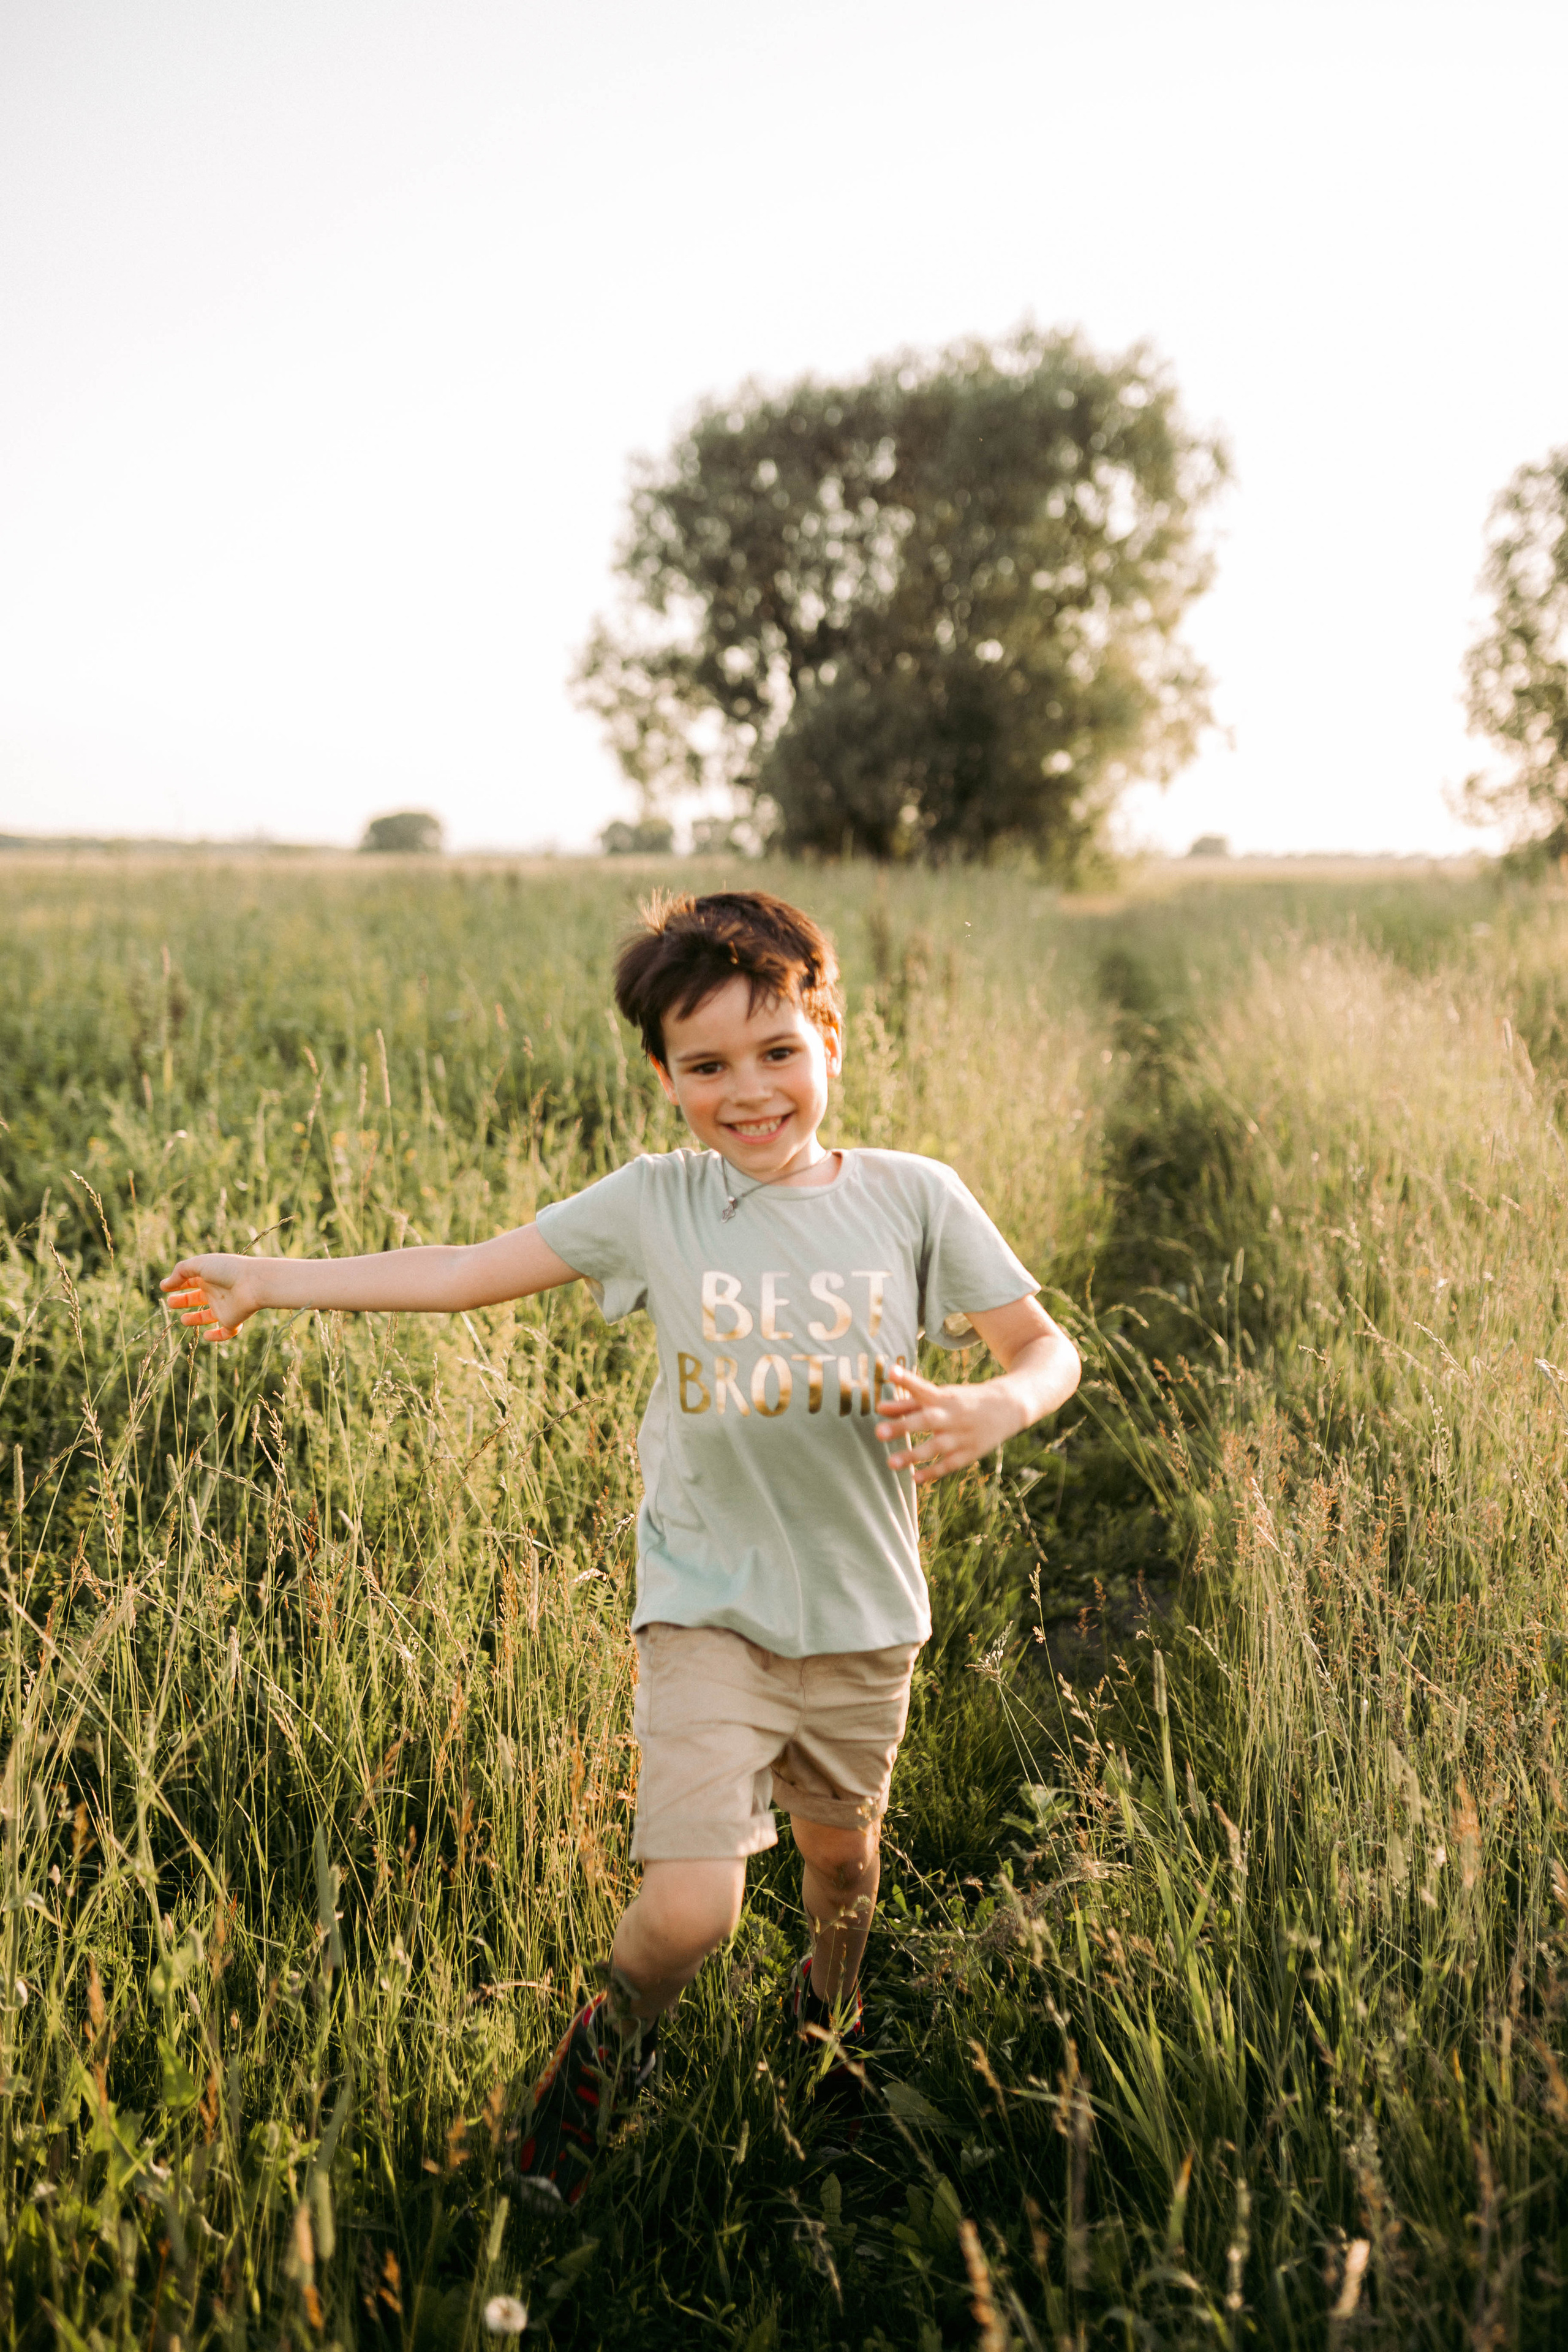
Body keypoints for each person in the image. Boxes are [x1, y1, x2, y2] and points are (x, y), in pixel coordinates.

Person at [161, 888, 1081, 2204]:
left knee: (842, 1859)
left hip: (864, 1611)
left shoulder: (912, 1198)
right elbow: (464, 1270)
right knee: (688, 1912)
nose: (748, 1091)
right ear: (664, 1078)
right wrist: (274, 1273)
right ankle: (613, 2045)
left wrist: (994, 1404)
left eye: (776, 1052)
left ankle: (831, 2006)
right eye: (706, 1066)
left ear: (831, 1038)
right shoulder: (657, 1205)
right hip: (706, 1606)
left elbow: (1045, 1350)